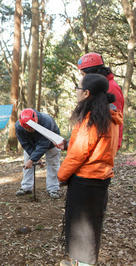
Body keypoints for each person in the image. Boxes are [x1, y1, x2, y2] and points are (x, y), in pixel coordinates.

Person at [57, 73, 123, 266]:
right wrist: (69, 144)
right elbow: (97, 146)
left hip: (85, 181)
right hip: (100, 179)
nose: (76, 92)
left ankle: (82, 263)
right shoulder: (108, 116)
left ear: (86, 93)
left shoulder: (92, 118)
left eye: (78, 88)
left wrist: (61, 175)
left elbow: (79, 153)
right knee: (91, 225)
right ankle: (79, 262)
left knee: (82, 228)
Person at [77, 52, 124, 149]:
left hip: (104, 142)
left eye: (84, 74)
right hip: (96, 140)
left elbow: (114, 118)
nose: (83, 78)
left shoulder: (111, 87)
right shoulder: (101, 86)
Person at [15, 108, 61, 199]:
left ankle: (53, 188)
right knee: (27, 163)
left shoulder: (46, 122)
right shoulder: (18, 126)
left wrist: (33, 159)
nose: (29, 130)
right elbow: (25, 143)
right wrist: (33, 158)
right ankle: (26, 187)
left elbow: (44, 144)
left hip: (52, 141)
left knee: (53, 164)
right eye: (27, 128)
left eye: (31, 127)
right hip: (32, 143)